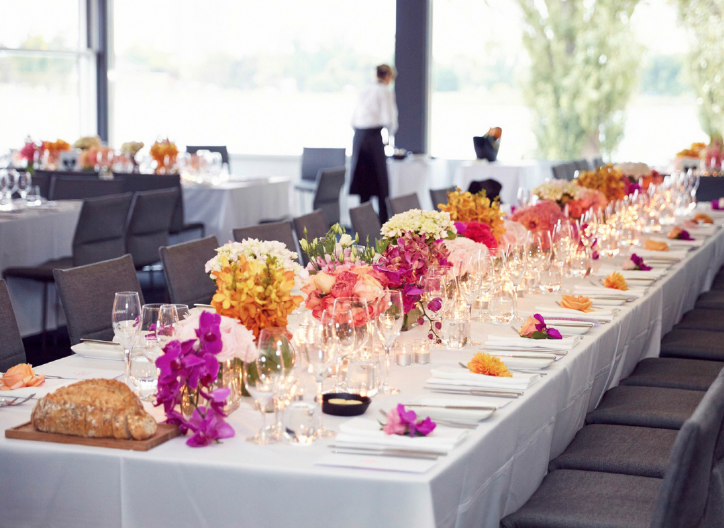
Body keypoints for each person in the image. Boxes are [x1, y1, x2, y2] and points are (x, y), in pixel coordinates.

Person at [349, 64, 398, 223]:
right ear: (388, 76)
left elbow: (353, 119)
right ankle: (384, 223)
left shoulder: (364, 90)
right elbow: (388, 119)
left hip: (358, 138)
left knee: (363, 183)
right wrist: (389, 136)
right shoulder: (385, 91)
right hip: (373, 138)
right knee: (381, 184)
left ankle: (363, 223)